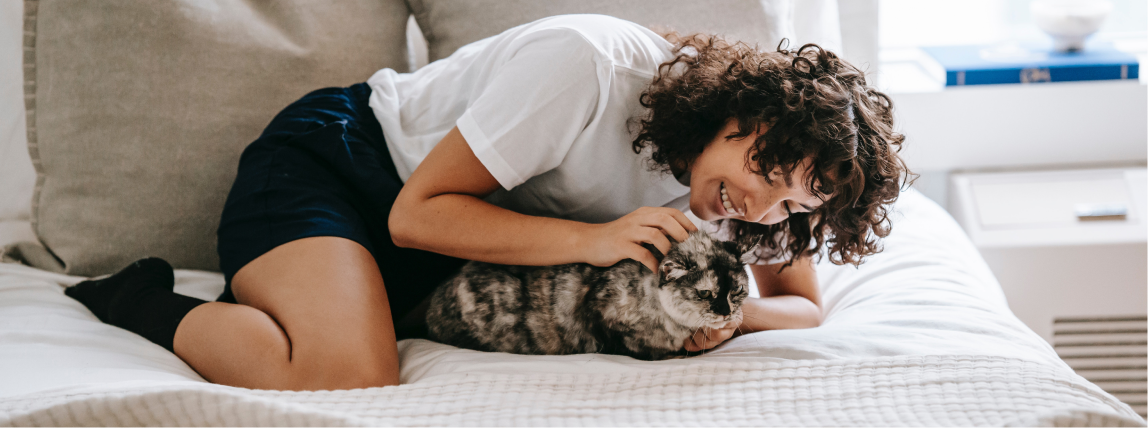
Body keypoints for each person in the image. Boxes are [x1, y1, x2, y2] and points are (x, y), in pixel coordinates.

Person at [64, 14, 910, 391]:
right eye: (767, 168)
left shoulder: (758, 202)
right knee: (342, 372)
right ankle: (139, 299)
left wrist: (717, 316)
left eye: (794, 207)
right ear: (738, 107)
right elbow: (415, 216)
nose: (759, 207)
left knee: (352, 341)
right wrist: (602, 241)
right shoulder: (590, 66)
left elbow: (800, 309)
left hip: (461, 247)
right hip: (354, 171)